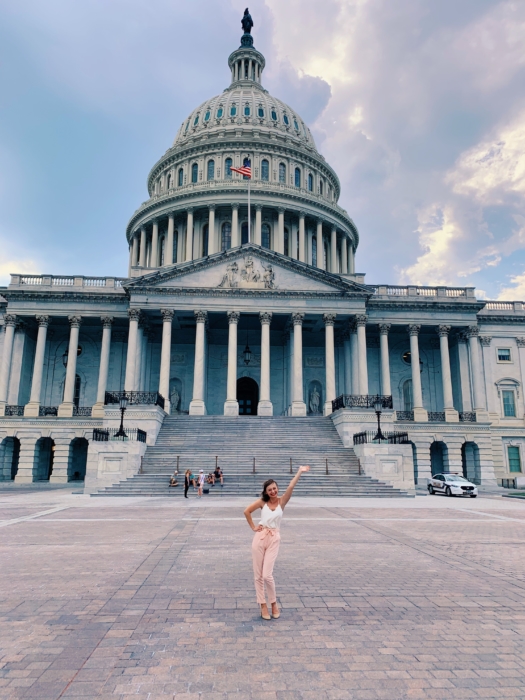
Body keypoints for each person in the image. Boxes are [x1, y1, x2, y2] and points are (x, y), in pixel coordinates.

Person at [244, 465, 310, 620]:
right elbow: (246, 511)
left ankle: (273, 603)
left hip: (274, 538)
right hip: (260, 538)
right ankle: (263, 605)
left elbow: (291, 486)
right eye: (269, 490)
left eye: (274, 489)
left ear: (277, 489)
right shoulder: (262, 502)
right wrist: (253, 526)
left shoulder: (282, 501)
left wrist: (299, 471)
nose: (272, 491)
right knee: (258, 575)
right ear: (266, 492)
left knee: (267, 575)